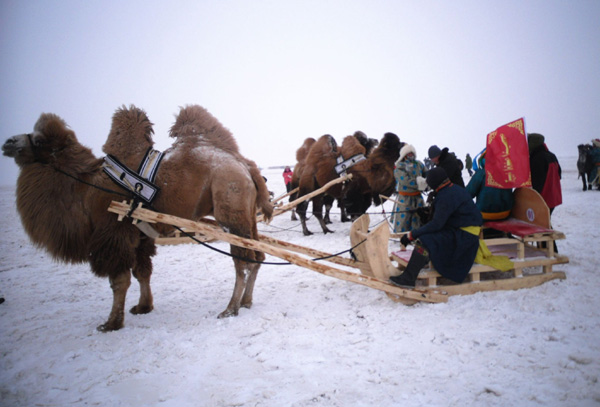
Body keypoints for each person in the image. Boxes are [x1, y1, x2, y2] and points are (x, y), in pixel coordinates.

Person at [390, 167, 483, 287]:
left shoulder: (445, 196)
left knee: (426, 240)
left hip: (464, 236)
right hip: (461, 229)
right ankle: (418, 263)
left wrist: (412, 234)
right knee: (428, 236)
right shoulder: (453, 189)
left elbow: (437, 224)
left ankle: (408, 278)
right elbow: (447, 214)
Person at [466, 151, 514, 221]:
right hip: (505, 213)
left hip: (484, 214)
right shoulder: (507, 173)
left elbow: (468, 193)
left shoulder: (481, 173)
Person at [391, 144, 427, 233]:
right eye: (408, 154)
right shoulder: (400, 166)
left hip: (417, 198)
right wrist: (419, 183)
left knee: (418, 218)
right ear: (404, 155)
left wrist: (427, 183)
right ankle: (401, 236)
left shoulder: (419, 164)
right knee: (403, 219)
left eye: (412, 153)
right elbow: (405, 180)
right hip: (404, 199)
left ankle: (416, 235)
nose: (411, 155)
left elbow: (427, 174)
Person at [527, 133, 562, 214]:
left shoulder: (537, 158)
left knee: (540, 224)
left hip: (543, 199)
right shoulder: (551, 155)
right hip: (553, 197)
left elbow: (536, 182)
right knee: (546, 221)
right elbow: (559, 175)